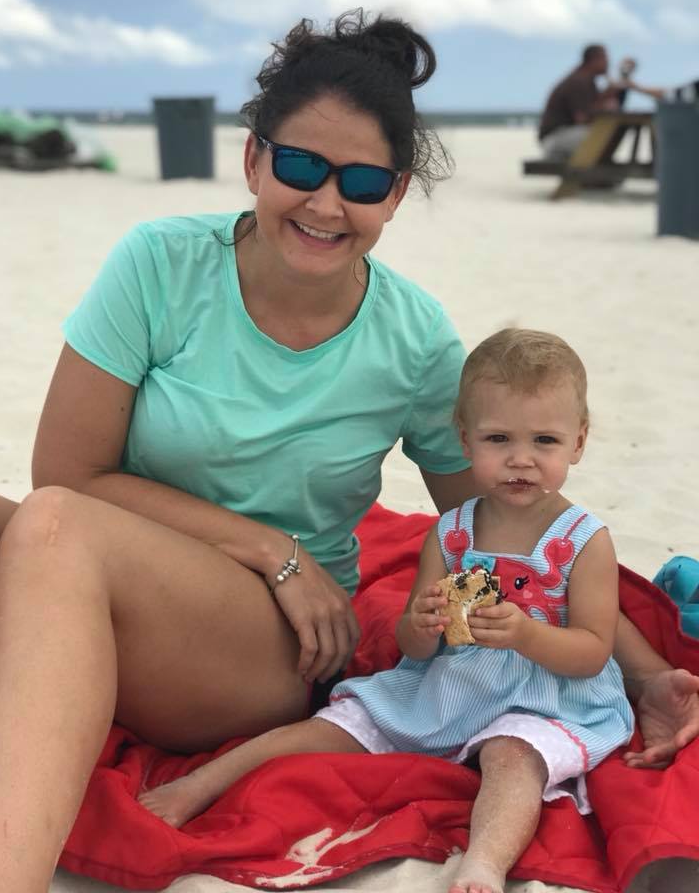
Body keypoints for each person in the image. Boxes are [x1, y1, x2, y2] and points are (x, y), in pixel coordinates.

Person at [0, 9, 697, 893]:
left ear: (395, 195)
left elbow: (513, 530)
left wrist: (645, 673)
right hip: (189, 572)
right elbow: (68, 472)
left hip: (266, 644)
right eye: (298, 166)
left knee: (55, 529)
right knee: (33, 520)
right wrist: (271, 549)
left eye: (360, 181)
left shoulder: (413, 339)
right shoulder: (159, 266)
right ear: (254, 159)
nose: (325, 204)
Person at [137, 328, 635, 893]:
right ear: (465, 440)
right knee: (334, 724)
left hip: (546, 695)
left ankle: (484, 864)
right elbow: (414, 645)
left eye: (545, 441)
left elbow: (592, 652)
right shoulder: (452, 532)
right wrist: (422, 624)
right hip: (452, 683)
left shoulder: (584, 540)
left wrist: (526, 635)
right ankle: (200, 784)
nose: (521, 460)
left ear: (578, 442)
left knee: (514, 756)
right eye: (499, 439)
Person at [538, 44, 625, 161]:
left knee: (604, 135)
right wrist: (606, 104)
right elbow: (583, 118)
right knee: (599, 135)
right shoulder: (579, 80)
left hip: (563, 135)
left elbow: (592, 107)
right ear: (594, 60)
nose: (608, 63)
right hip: (554, 138)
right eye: (605, 59)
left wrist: (610, 93)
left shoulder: (586, 79)